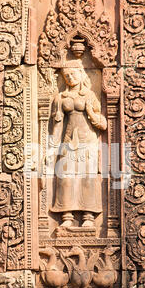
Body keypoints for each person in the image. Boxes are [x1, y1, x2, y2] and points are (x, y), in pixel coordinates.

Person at [49, 61, 107, 228]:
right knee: (66, 177)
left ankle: (88, 216)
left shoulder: (89, 96)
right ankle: (67, 215)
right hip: (68, 140)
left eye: (73, 74)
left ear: (82, 74)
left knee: (87, 177)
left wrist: (90, 113)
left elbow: (103, 124)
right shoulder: (60, 98)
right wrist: (52, 148)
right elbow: (58, 126)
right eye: (66, 76)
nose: (70, 78)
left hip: (88, 141)